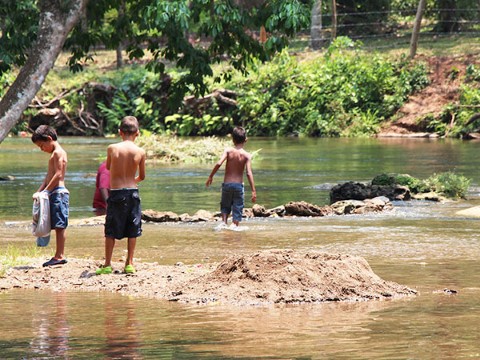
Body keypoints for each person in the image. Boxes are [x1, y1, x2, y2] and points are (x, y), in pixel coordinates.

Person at [96, 116, 146, 275]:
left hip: (116, 193)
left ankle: (108, 264)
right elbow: (142, 176)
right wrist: (133, 180)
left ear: (120, 132)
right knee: (133, 228)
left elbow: (109, 167)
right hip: (133, 193)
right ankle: (129, 263)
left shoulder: (112, 148)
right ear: (137, 133)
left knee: (110, 229)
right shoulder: (140, 151)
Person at [31, 125, 69, 267]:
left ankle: (59, 256)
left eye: (42, 145)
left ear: (49, 139)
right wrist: (40, 191)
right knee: (51, 223)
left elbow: (59, 174)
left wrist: (46, 191)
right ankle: (57, 255)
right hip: (52, 192)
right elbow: (48, 177)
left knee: (60, 226)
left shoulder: (59, 152)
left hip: (59, 193)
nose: (42, 149)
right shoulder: (53, 155)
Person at [206, 126, 256, 226]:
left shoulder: (228, 151)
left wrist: (211, 176)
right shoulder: (247, 155)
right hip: (238, 186)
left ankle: (224, 223)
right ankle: (234, 226)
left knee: (225, 206)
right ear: (246, 140)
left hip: (227, 185)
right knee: (237, 208)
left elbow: (219, 163)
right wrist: (253, 190)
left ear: (233, 140)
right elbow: (248, 173)